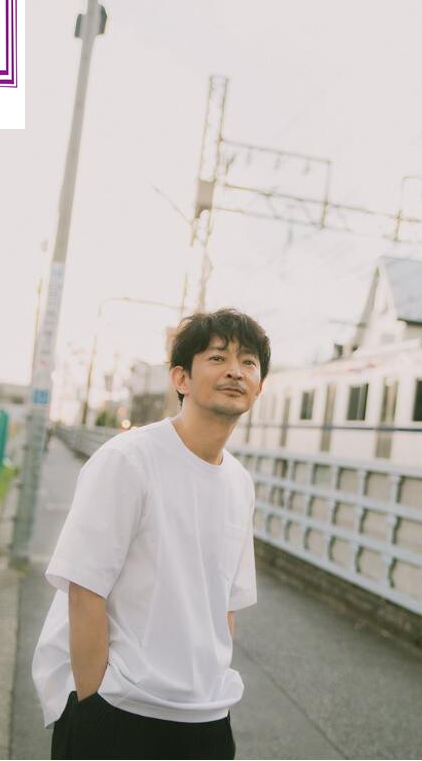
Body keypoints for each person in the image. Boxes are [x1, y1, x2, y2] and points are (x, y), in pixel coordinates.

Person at [32, 308, 271, 760]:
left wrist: (212, 682)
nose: (235, 371)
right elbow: (84, 589)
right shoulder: (128, 459)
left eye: (248, 362)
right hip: (120, 708)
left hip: (205, 716)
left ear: (259, 386)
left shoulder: (239, 483)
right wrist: (92, 708)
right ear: (181, 378)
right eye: (217, 358)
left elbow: (225, 603)